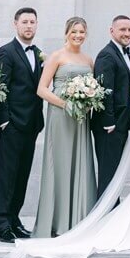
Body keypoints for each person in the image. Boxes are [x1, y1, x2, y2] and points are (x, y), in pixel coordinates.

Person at [0, 28, 130, 258]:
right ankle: (50, 221)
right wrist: (78, 108)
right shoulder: (106, 58)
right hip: (73, 118)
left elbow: (101, 88)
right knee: (64, 167)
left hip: (114, 122)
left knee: (91, 166)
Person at [33, 16, 98, 237]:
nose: (78, 35)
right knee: (60, 164)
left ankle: (78, 219)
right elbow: (42, 89)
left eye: (82, 32)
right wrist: (65, 104)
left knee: (79, 162)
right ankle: (58, 221)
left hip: (80, 119)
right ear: (66, 33)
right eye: (74, 32)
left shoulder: (89, 60)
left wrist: (88, 102)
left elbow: (93, 89)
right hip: (61, 117)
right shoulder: (56, 56)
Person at [0, 7, 46, 243]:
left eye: (32, 22)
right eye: (24, 22)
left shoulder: (37, 53)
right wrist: (4, 121)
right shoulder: (6, 52)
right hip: (13, 124)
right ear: (15, 24)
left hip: (32, 124)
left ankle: (14, 220)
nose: (28, 26)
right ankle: (2, 224)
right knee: (8, 175)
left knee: (22, 175)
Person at [92, 15, 130, 197]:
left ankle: (111, 213)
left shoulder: (124, 53)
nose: (127, 33)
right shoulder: (107, 55)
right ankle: (104, 219)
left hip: (121, 123)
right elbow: (105, 90)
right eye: (122, 30)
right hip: (109, 127)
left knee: (115, 174)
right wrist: (109, 122)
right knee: (108, 175)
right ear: (112, 31)